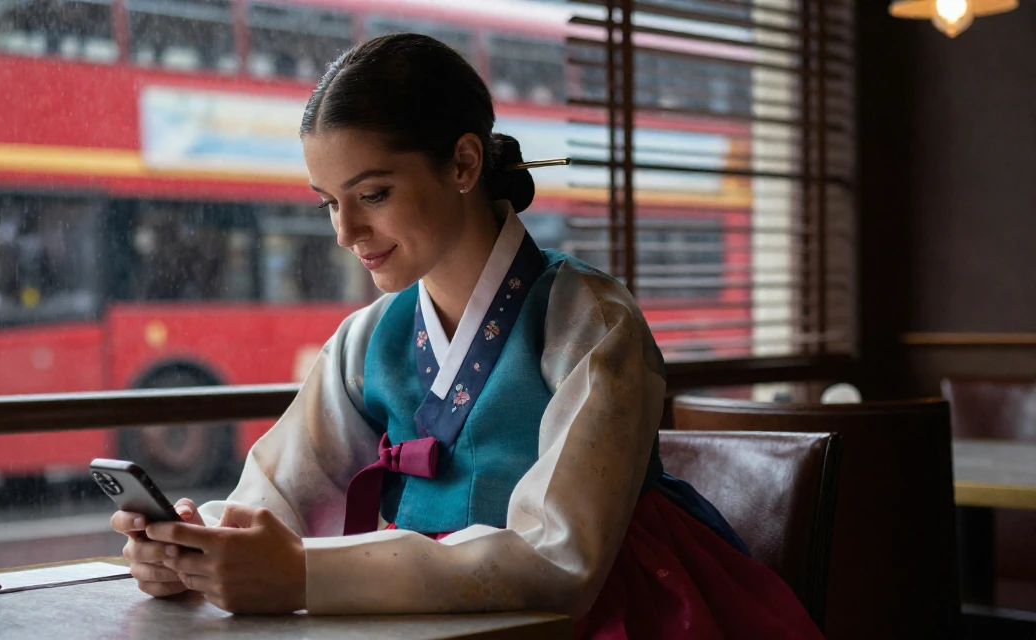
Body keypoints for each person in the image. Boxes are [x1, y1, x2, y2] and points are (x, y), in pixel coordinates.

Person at [110, 33, 823, 639]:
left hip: (606, 615)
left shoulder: (591, 323)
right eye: (330, 204)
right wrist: (202, 547)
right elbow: (280, 494)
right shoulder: (366, 340)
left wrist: (298, 572)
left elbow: (559, 562)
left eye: (374, 195)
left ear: (463, 164)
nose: (345, 234)